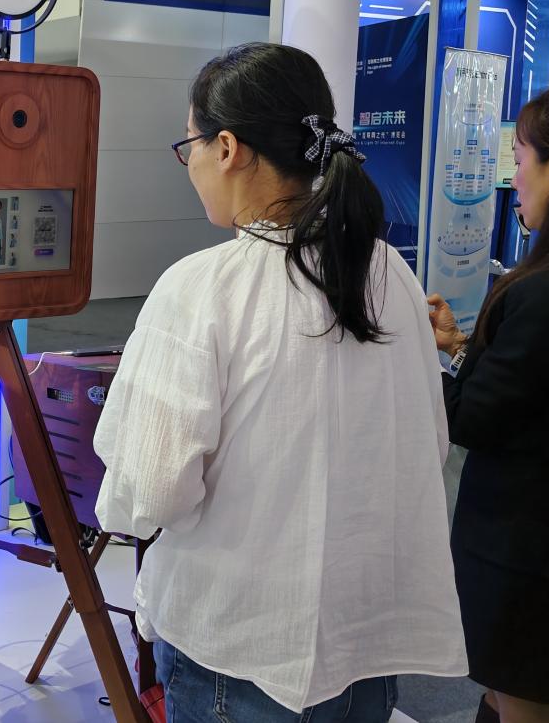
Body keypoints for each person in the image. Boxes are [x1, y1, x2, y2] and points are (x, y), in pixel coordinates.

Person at [94, 43, 467, 720]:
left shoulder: (200, 289)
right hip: (364, 644)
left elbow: (147, 494)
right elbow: (428, 444)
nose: (190, 164)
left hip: (234, 647)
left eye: (189, 145)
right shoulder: (391, 274)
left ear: (227, 148)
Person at [428, 76, 549, 723]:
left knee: (522, 703)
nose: (514, 180)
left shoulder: (548, 292)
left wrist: (410, 356)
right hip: (539, 547)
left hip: (530, 555)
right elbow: (530, 395)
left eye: (519, 160)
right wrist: (460, 348)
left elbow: (474, 418)